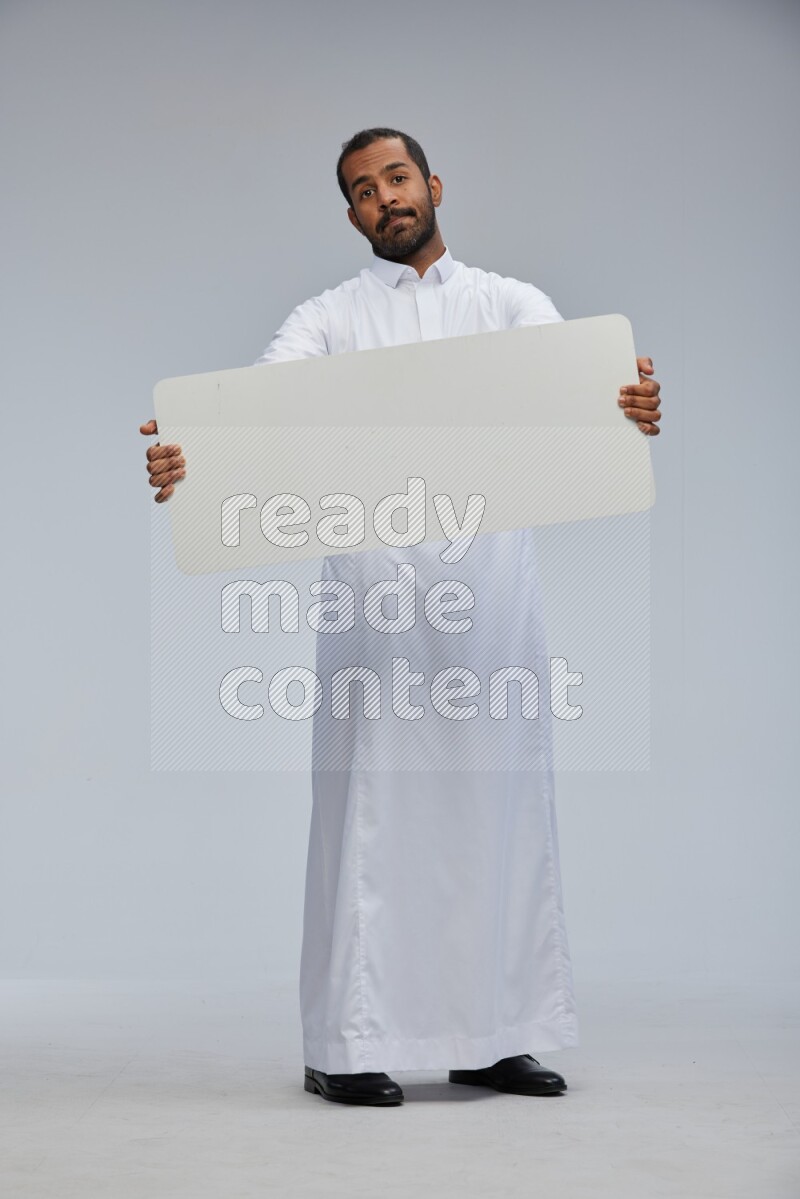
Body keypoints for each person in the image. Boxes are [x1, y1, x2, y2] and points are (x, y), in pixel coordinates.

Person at [140, 127, 662, 1107]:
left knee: (496, 813)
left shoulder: (504, 303)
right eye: (360, 189)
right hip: (373, 615)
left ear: (431, 183)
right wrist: (188, 461)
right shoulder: (327, 321)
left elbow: (579, 397)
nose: (383, 196)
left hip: (490, 608)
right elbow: (251, 422)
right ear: (350, 216)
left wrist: (624, 406)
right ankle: (344, 1042)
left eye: (394, 177)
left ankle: (494, 1035)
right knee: (370, 825)